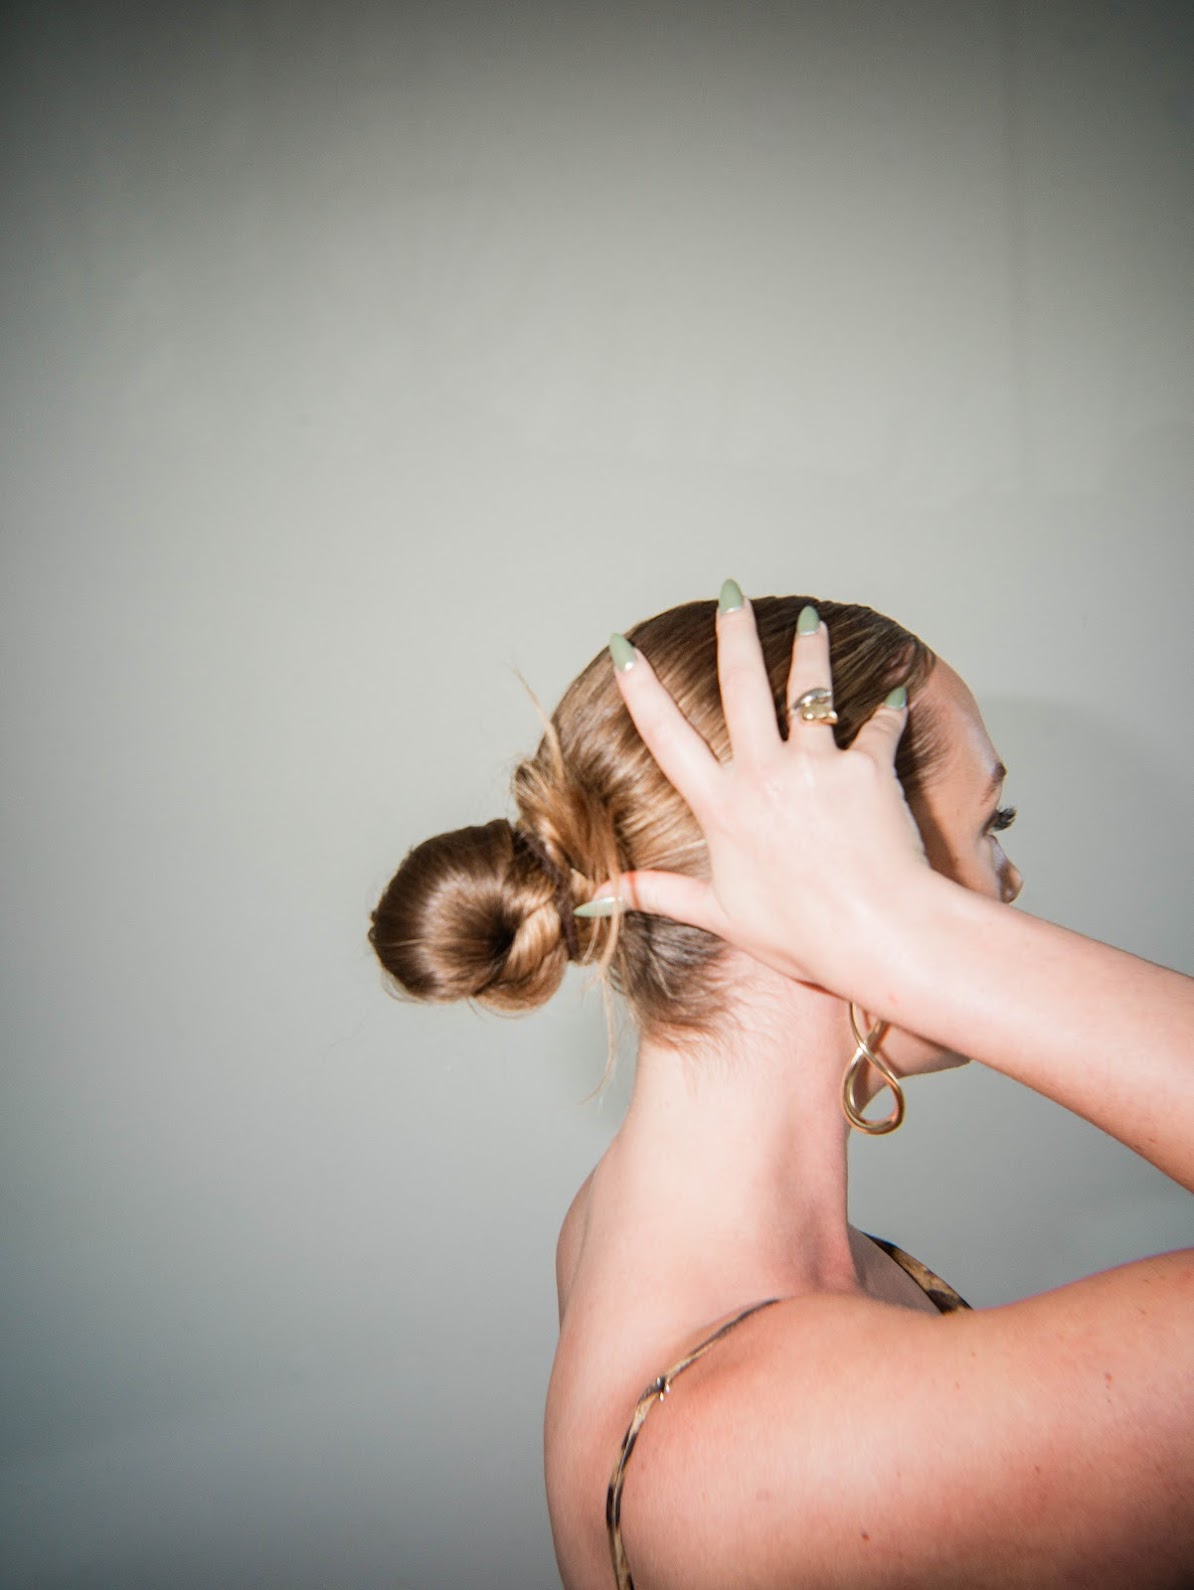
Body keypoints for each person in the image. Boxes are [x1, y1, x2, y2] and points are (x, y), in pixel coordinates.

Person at [369, 585, 1194, 1589]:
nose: (1010, 879)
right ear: (844, 864)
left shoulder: (615, 1221)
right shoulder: (778, 1445)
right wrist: (915, 937)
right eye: (994, 821)